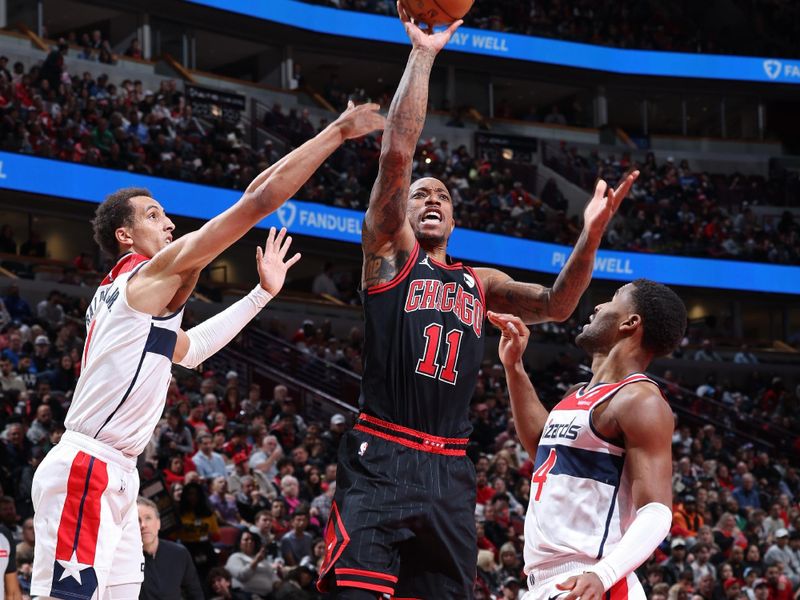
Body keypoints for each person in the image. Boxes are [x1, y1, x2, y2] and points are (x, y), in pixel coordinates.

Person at [317, 6, 638, 600]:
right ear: (401, 213)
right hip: (382, 454)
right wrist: (423, 54)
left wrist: (589, 234)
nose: (431, 198)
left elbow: (560, 304)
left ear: (456, 216)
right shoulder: (389, 254)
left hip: (451, 471)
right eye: (420, 196)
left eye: (441, 194)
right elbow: (395, 157)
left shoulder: (480, 282)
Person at [30, 101, 384, 600]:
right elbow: (256, 202)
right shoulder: (144, 277)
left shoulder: (132, 302)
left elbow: (191, 348)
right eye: (154, 215)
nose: (169, 224)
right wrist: (336, 132)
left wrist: (261, 294)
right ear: (125, 235)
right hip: (88, 465)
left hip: (117, 472)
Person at [492, 278, 687, 600]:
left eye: (612, 299)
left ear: (630, 322)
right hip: (547, 581)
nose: (598, 306)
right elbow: (542, 448)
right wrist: (514, 368)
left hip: (590, 576)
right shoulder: (578, 394)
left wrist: (603, 575)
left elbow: (657, 511)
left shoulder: (639, 400)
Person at [137, 497, 202, 600]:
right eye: (137, 520)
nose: (143, 525)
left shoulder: (179, 553)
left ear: (158, 523)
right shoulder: (124, 559)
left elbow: (195, 593)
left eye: (148, 518)